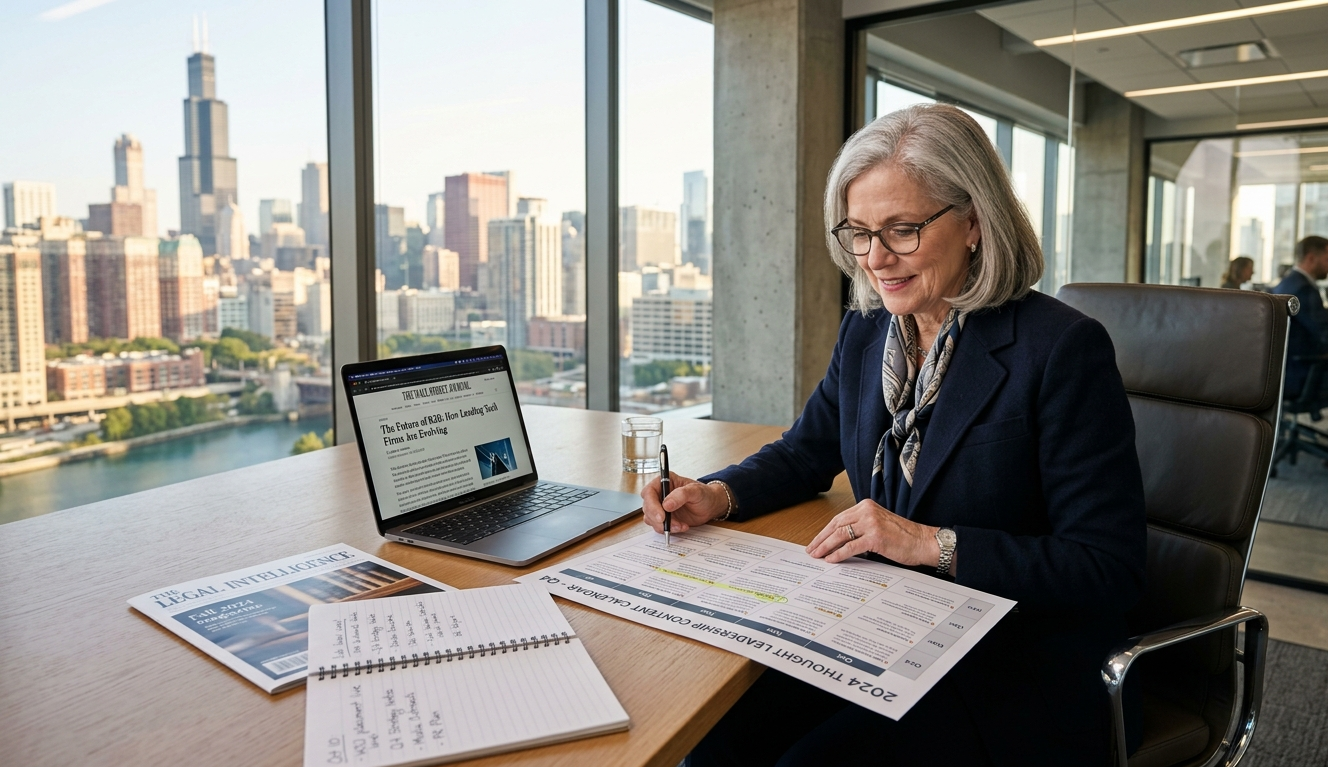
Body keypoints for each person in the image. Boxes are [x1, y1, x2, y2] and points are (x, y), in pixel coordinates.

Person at [640, 104, 1146, 767]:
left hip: (1007, 659)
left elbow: (1106, 566)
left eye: (903, 229)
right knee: (714, 750)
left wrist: (929, 543)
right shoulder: (867, 331)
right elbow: (804, 451)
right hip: (880, 629)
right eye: (859, 231)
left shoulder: (1061, 349)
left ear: (973, 222)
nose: (876, 258)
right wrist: (715, 494)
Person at [1273, 236, 1328, 397]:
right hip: (1301, 372)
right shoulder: (1303, 289)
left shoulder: (1288, 283)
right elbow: (1323, 332)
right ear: (1311, 258)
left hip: (1286, 369)